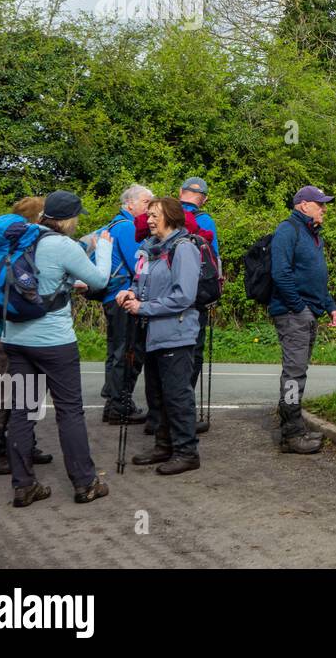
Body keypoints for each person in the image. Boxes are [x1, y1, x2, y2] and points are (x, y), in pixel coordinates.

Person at [1, 190, 112, 507]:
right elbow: (100, 280)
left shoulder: (24, 239)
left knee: (22, 411)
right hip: (54, 343)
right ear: (67, 219)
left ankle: (23, 486)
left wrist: (65, 284)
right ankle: (85, 483)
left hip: (16, 338)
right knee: (69, 412)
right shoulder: (62, 245)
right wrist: (103, 247)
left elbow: (36, 281)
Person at [118, 197, 203, 475]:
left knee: (178, 395)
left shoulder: (184, 249)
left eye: (155, 215)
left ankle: (186, 451)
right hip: (151, 332)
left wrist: (144, 307)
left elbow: (184, 296)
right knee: (157, 393)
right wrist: (131, 293)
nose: (149, 220)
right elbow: (140, 281)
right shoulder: (150, 248)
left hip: (176, 333)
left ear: (172, 217)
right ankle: (163, 445)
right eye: (148, 215)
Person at [0, 196, 53, 476]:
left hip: (3, 328)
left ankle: (20, 445)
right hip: (9, 332)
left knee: (23, 391)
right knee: (7, 392)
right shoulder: (21, 248)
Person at [269, 185, 336, 454]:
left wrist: (330, 305)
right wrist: (299, 307)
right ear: (303, 205)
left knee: (298, 371)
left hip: (307, 311)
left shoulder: (312, 234)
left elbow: (316, 277)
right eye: (319, 203)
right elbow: (280, 273)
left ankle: (294, 425)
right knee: (294, 372)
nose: (324, 208)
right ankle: (291, 432)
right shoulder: (288, 230)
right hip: (292, 313)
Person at [98, 184, 152, 425]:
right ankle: (120, 405)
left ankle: (113, 400)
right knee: (129, 351)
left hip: (110, 296)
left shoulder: (111, 225)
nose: (149, 209)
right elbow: (138, 264)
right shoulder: (128, 227)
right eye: (146, 203)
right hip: (124, 297)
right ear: (130, 204)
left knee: (116, 349)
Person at [179, 177, 219, 432]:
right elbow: (213, 262)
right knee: (192, 354)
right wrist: (214, 294)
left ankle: (157, 417)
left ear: (180, 193)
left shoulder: (162, 216)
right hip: (194, 298)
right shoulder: (203, 221)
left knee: (164, 356)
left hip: (160, 301)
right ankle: (184, 414)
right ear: (203, 198)